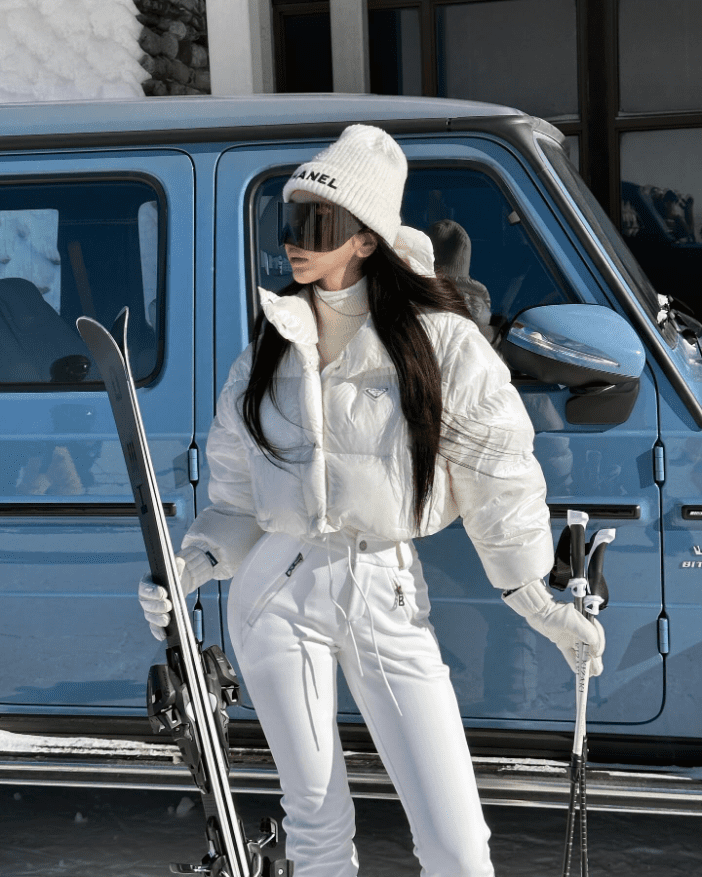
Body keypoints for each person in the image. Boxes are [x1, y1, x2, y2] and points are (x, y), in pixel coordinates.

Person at [138, 125, 605, 877]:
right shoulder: (268, 347)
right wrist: (191, 562)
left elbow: (501, 477)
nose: (294, 242)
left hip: (385, 588)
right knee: (318, 830)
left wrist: (537, 599)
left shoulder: (441, 344)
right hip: (276, 598)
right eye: (288, 223)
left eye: (317, 225)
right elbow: (236, 500)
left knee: (457, 841)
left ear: (365, 239)